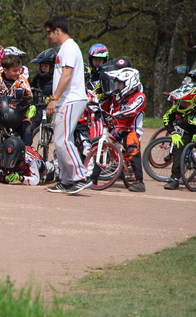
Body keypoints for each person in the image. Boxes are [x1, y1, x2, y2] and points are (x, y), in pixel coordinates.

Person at [44, 16, 91, 194]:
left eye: (49, 32)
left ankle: (80, 176)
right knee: (62, 140)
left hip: (71, 99)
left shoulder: (69, 48)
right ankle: (66, 180)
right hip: (65, 100)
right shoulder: (64, 48)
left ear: (57, 30)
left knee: (63, 141)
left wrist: (54, 99)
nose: (48, 36)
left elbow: (66, 76)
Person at [102, 67, 146, 192]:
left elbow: (133, 109)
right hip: (118, 128)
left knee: (132, 149)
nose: (118, 85)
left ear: (129, 83)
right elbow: (105, 107)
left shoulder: (140, 96)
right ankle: (95, 175)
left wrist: (120, 113)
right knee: (104, 142)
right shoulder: (117, 96)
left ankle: (139, 182)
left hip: (132, 129)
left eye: (121, 83)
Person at [162, 85, 196, 190]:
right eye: (182, 102)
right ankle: (174, 179)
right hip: (187, 132)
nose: (183, 104)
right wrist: (173, 133)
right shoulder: (177, 107)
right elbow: (166, 117)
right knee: (178, 148)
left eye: (186, 102)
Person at [29, 48, 57, 129]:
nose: (43, 68)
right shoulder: (37, 78)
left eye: (46, 66)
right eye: (42, 66)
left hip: (52, 108)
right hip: (39, 108)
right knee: (30, 125)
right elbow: (30, 90)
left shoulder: (56, 78)